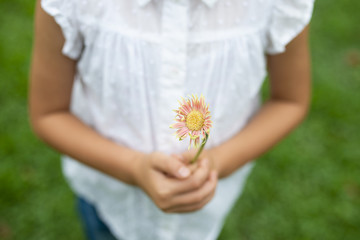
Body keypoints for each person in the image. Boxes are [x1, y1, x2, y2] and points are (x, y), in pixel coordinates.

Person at [29, 0, 315, 239]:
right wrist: (133, 168)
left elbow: (289, 100)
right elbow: (49, 113)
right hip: (110, 200)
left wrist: (217, 162)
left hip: (209, 209)